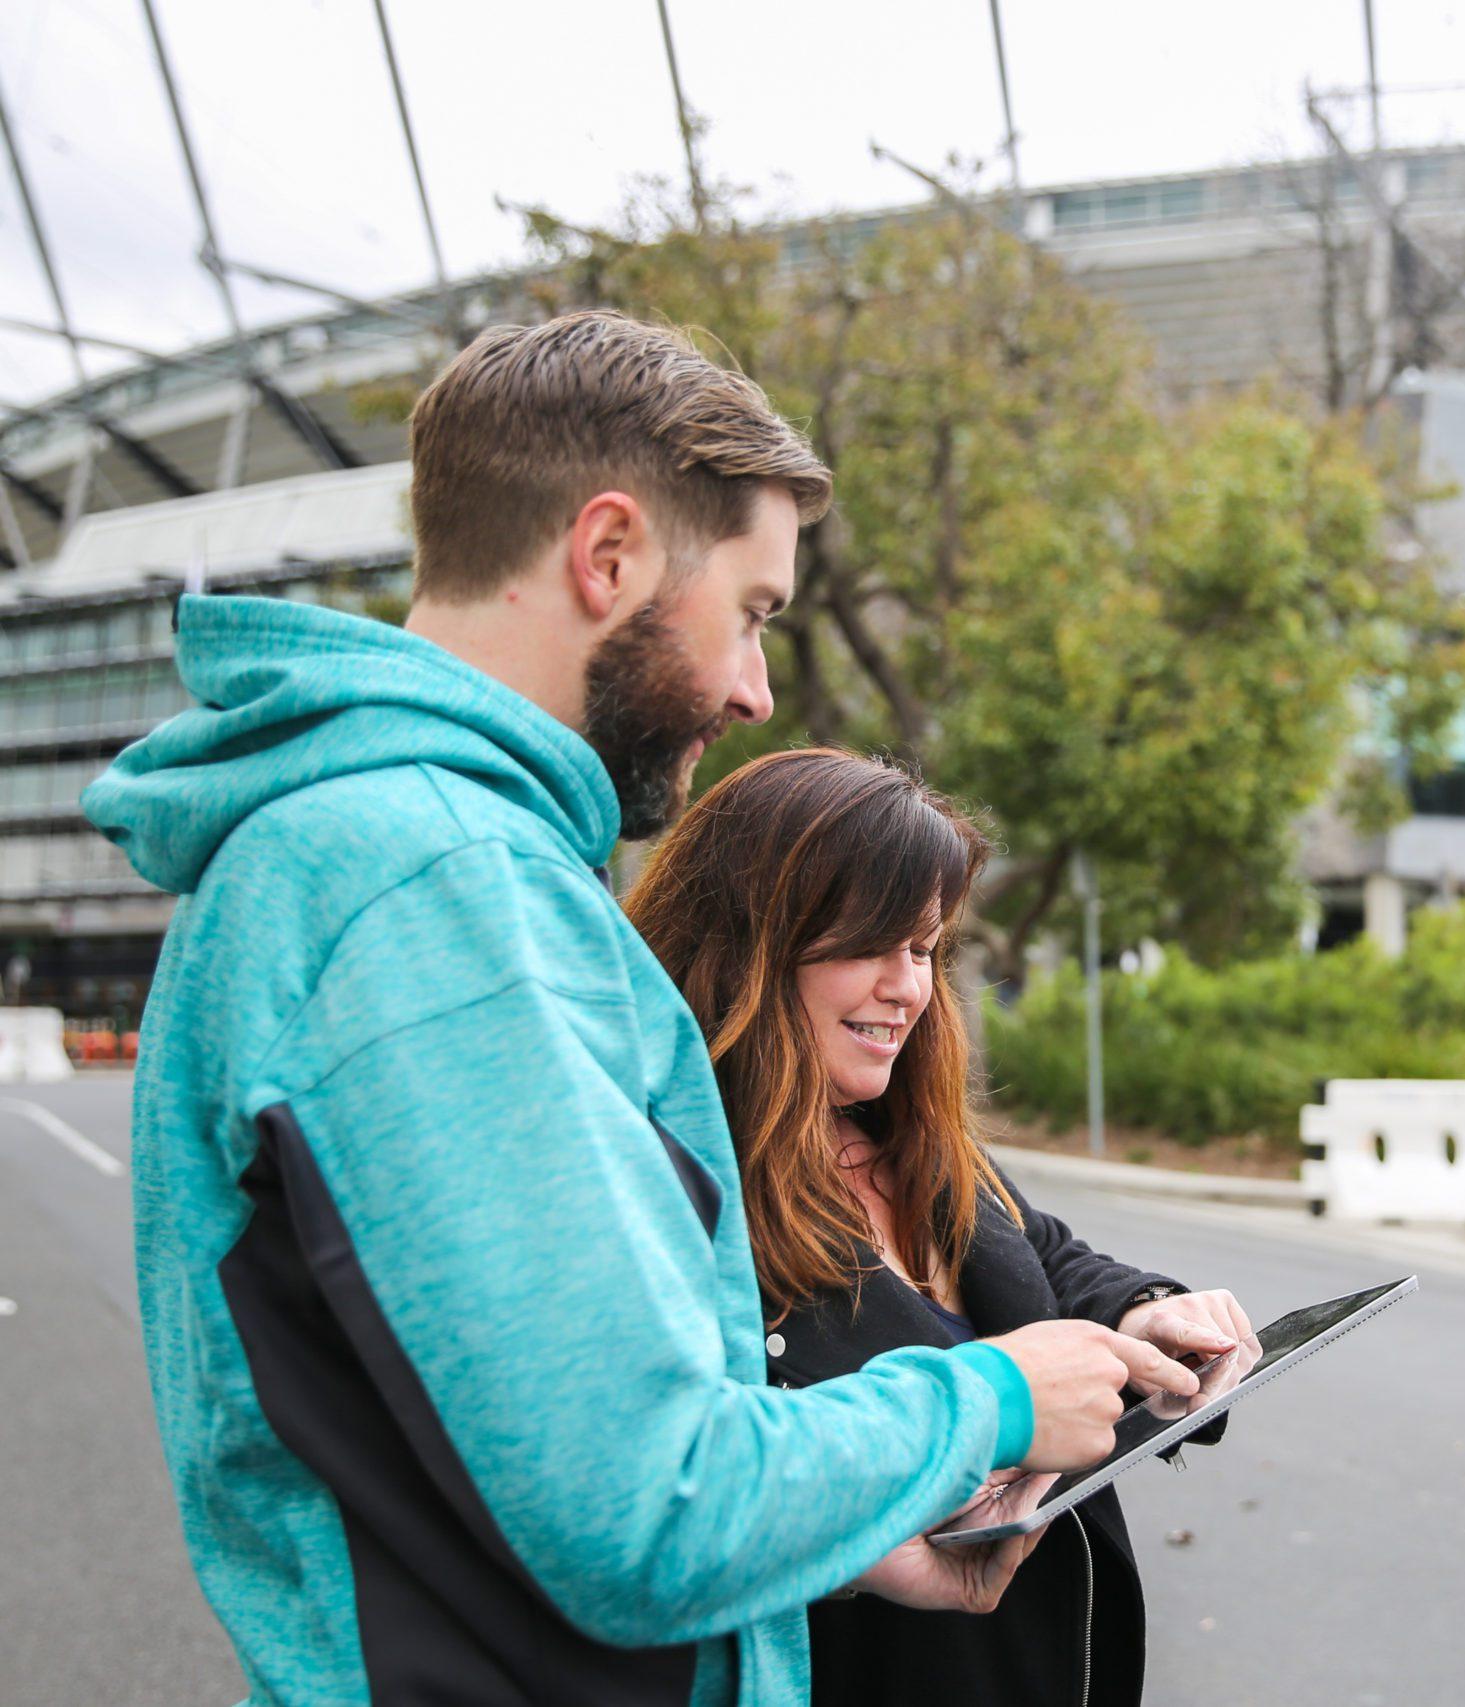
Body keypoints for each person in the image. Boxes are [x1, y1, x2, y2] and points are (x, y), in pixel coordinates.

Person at [82, 310, 1195, 1707]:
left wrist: (849, 1548)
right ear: (608, 556)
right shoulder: (434, 881)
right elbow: (648, 1503)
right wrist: (997, 1394)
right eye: (751, 614)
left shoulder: (388, 854)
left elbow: (498, 1471)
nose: (754, 687)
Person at [626, 747, 1260, 1707]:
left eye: (923, 948)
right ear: (750, 942)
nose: (906, 989)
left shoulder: (908, 1138)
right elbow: (678, 1493)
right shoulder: (668, 1184)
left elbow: (1044, 1257)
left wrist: (1141, 1315)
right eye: (868, 944)